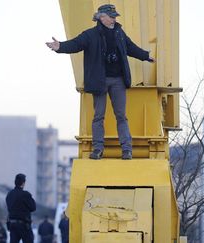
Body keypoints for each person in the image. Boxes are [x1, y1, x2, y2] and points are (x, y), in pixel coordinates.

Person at [46, 4, 155, 160]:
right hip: (100, 81)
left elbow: (130, 47)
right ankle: (98, 149)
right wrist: (60, 47)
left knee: (121, 116)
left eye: (114, 16)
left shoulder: (119, 32)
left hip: (118, 80)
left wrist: (145, 55)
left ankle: (127, 150)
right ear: (101, 17)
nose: (114, 19)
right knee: (98, 116)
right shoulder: (90, 35)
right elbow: (76, 44)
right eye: (111, 16)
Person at [6, 173, 36, 243]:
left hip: (12, 225)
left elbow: (9, 207)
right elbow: (33, 207)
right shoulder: (25, 194)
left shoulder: (9, 194)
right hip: (24, 225)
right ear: (23, 183)